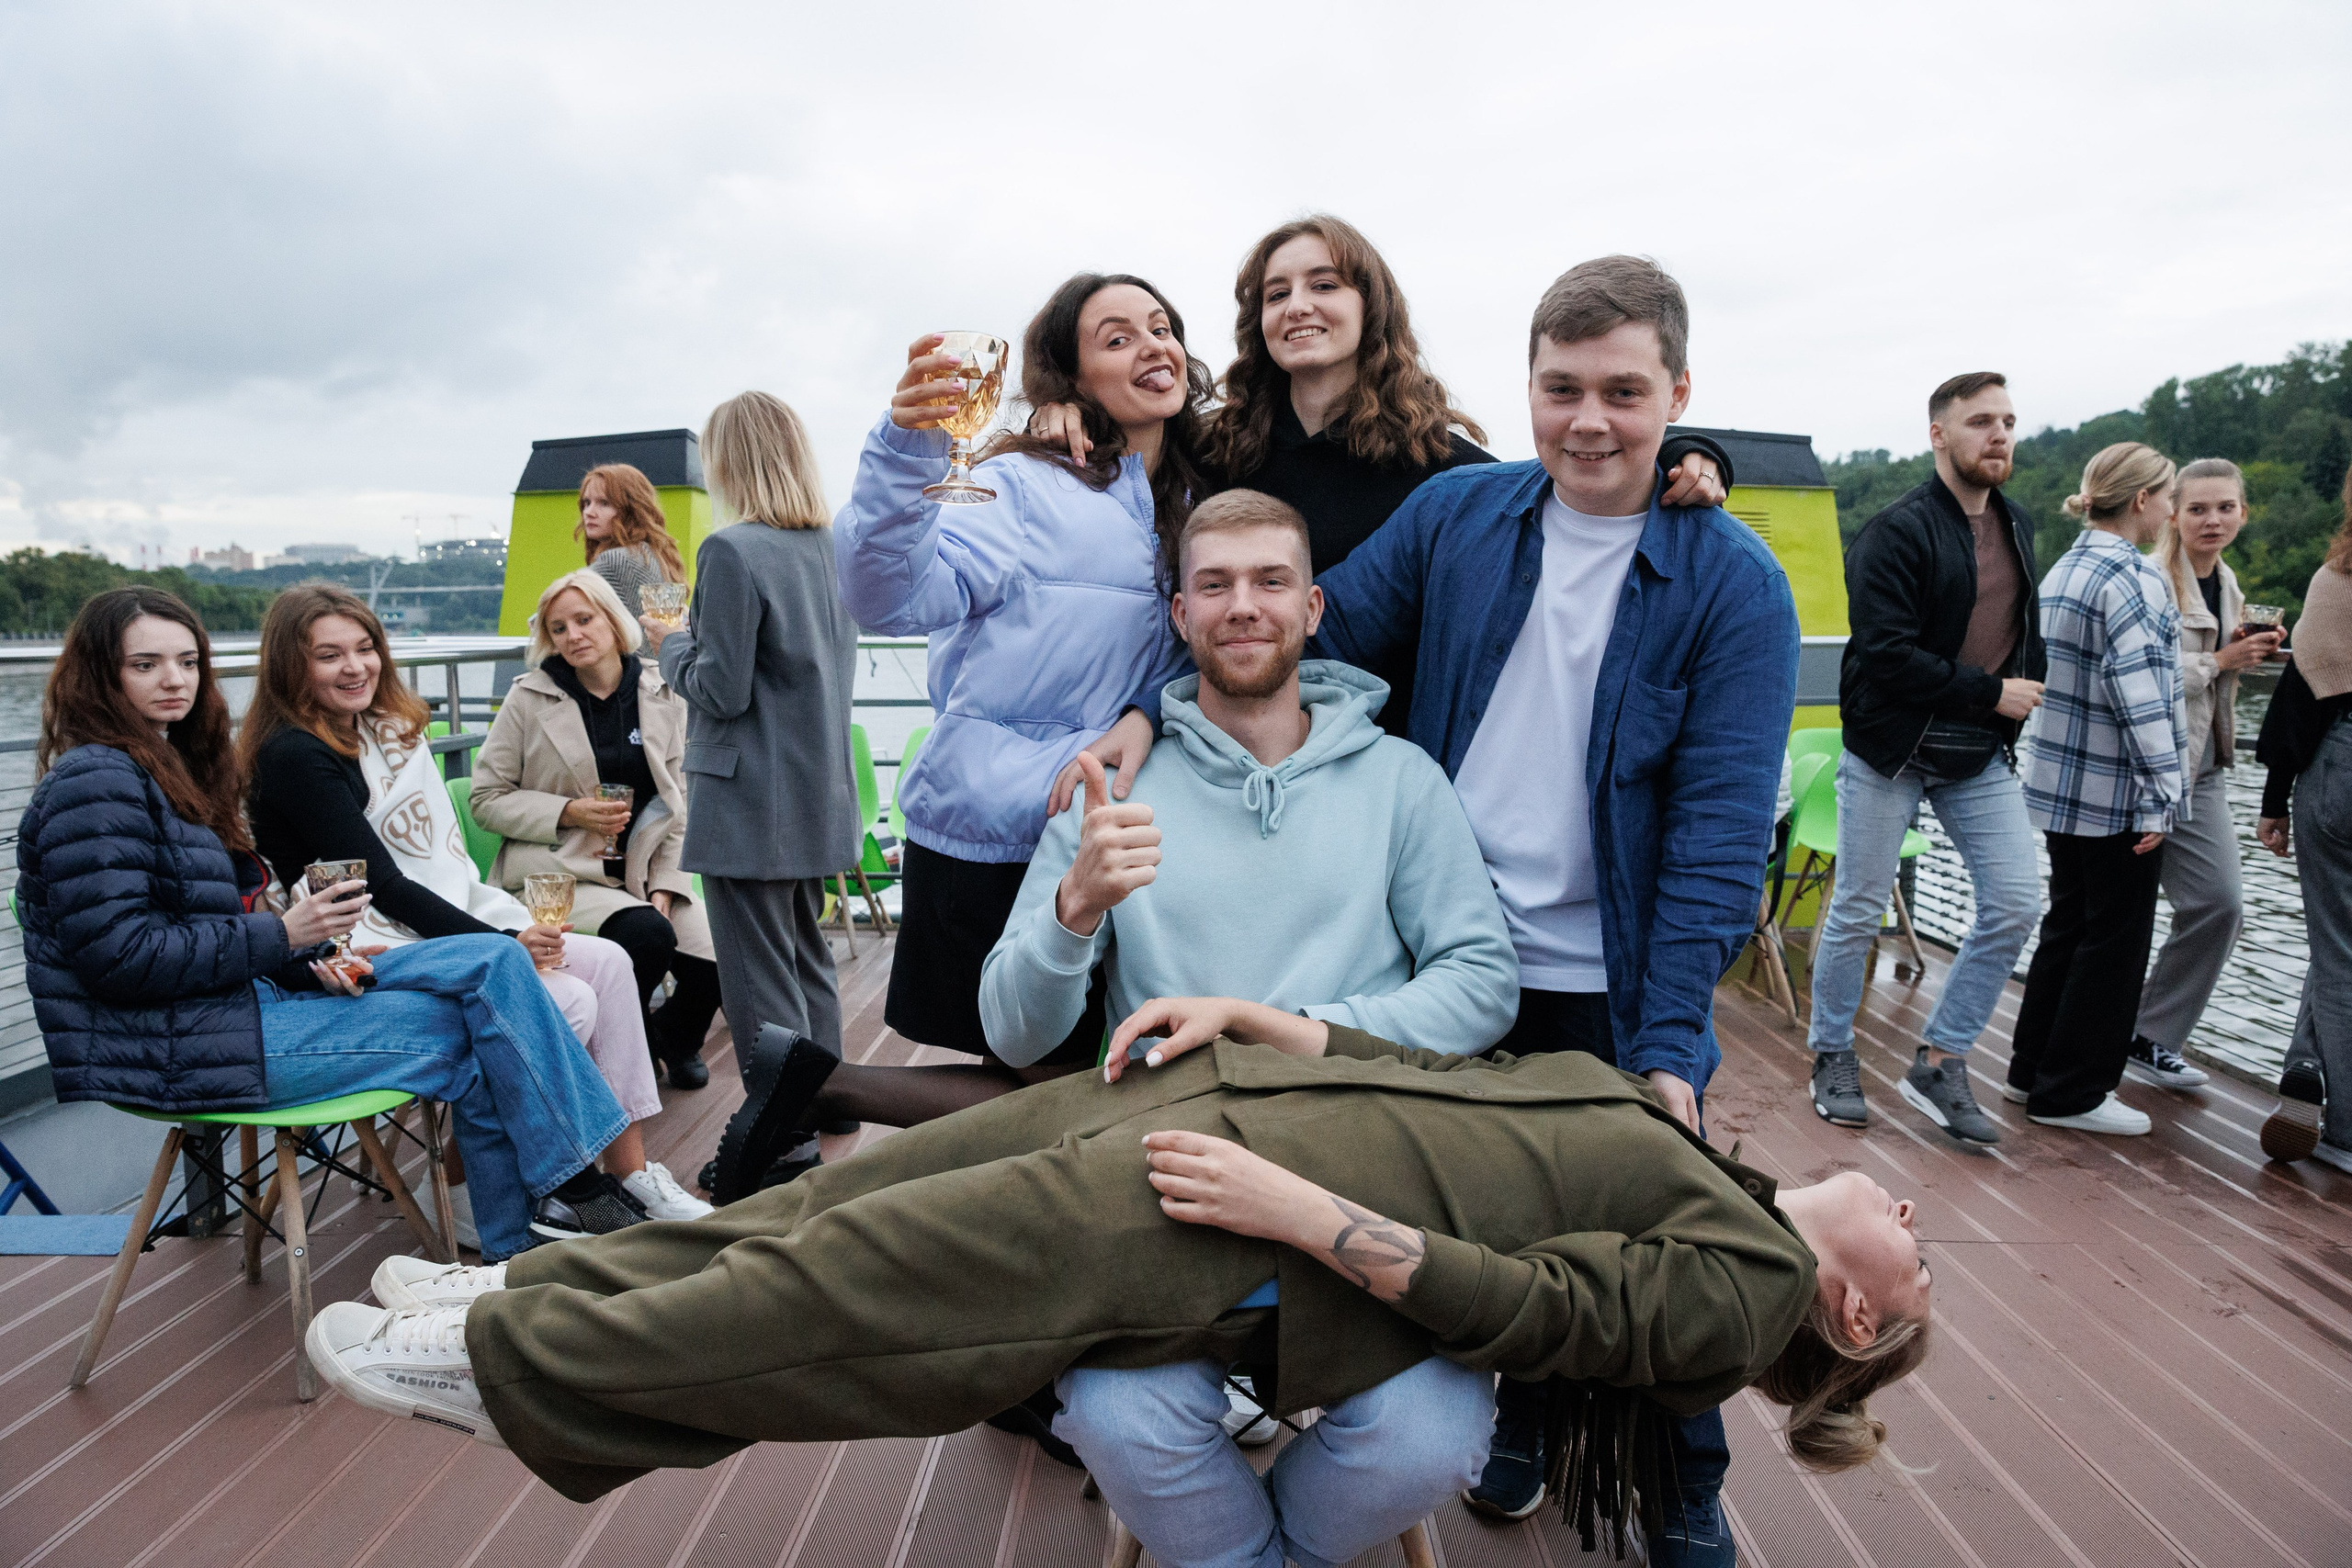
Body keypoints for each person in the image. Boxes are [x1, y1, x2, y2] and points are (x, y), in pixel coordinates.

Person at [307, 1017, 1931, 1568]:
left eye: (1919, 1255)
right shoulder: (1705, 1164)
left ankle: (513, 1365)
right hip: (1225, 1105)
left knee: (864, 1290)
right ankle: (522, 1289)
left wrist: (1308, 1216)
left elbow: (1532, 1310)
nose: (1913, 1215)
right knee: (829, 1202)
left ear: (1852, 1315)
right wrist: (1273, 1024)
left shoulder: (1746, 1291)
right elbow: (1452, 1081)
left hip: (1234, 1222)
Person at [1293, 254, 1798, 1557]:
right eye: (1561, 387)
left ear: (1678, 393)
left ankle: (1680, 1487)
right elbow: (1309, 635)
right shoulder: (1458, 517)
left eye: (1623, 392)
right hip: (1446, 958)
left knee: (1654, 1240)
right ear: (1525, 383)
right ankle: (1518, 1415)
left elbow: (1718, 837)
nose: (1588, 421)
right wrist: (1155, 710)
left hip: (1607, 977)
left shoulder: (1735, 583)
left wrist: (1670, 1042)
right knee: (1462, 1222)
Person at [19, 588, 633, 1264]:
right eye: (146, 665)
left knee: (497, 962)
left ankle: (552, 1207)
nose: (175, 680)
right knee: (480, 1027)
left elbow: (213, 927)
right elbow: (120, 957)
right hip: (181, 1043)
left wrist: (306, 958)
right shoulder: (95, 783)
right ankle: (552, 1211)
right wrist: (287, 935)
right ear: (99, 674)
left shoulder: (165, 768)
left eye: (188, 662)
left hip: (240, 1005)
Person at [1032, 215, 1732, 742]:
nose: (1298, 305)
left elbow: (1563, 480)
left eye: (1324, 285)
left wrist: (1687, 452)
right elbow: (1134, 448)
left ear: (1372, 306)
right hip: (1218, 754)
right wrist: (1063, 410)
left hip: (1382, 782)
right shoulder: (1217, 453)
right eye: (1277, 293)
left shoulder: (1444, 474)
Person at [828, 274, 1203, 1133]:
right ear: (1070, 377)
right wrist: (907, 448)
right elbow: (889, 596)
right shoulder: (1025, 485)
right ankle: (823, 1087)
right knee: (1057, 1091)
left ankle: (819, 1084)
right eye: (1117, 338)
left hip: (1115, 838)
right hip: (1000, 831)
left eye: (1162, 327)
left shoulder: (1199, 492)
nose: (1153, 346)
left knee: (1081, 1083)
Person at [980, 489, 1517, 1066]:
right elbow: (1013, 1038)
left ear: (1312, 609)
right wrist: (1074, 908)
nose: (1242, 606)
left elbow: (1482, 985)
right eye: (1215, 585)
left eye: (1270, 582)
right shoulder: (1110, 794)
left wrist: (1284, 1031)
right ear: (1182, 617)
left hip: (1352, 1101)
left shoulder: (1402, 781)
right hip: (1170, 1113)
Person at [241, 584, 694, 1234]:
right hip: (355, 946)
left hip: (428, 920)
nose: (356, 667)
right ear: (291, 665)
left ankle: (630, 1175)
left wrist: (503, 933)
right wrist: (502, 941)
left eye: (366, 648)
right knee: (568, 999)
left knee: (612, 964)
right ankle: (473, 1189)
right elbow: (387, 888)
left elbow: (429, 873)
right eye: (329, 655)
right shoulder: (294, 754)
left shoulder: (375, 732)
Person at [1804, 372, 2045, 1145]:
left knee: (2017, 901)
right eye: (1981, 421)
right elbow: (1884, 654)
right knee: (1859, 905)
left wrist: (2012, 696)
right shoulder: (1896, 531)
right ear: (1939, 434)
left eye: (2008, 420)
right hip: (1891, 747)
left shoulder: (2018, 523)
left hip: (1976, 750)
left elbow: (2019, 627)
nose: (1999, 434)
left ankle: (1941, 1059)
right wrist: (1992, 692)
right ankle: (1831, 1052)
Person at [637, 390, 861, 1096]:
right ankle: (831, 1103)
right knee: (805, 955)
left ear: (728, 462)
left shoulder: (731, 550)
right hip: (817, 794)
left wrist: (670, 644)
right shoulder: (833, 548)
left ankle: (784, 1136)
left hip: (747, 802)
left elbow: (721, 688)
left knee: (758, 982)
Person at [470, 570, 724, 1091]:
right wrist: (569, 811)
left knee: (720, 958)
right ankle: (623, 1054)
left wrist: (667, 884)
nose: (573, 636)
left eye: (584, 620)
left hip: (644, 867)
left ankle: (670, 1039)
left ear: (612, 618)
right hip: (565, 872)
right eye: (558, 628)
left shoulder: (663, 689)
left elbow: (683, 800)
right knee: (647, 936)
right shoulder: (529, 698)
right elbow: (486, 799)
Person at [2006, 443, 2188, 1136]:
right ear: (2141, 500)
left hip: (2058, 786)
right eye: (2168, 496)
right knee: (2114, 942)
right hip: (2117, 794)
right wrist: (2162, 795)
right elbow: (2141, 698)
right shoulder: (2136, 578)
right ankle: (2073, 1092)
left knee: (2068, 927)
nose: (2170, 510)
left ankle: (2030, 1071)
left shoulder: (2063, 569)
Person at [2132, 459, 2279, 1089]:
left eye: (2225, 507)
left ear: (2243, 512)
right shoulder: (2150, 580)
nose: (2212, 520)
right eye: (2197, 508)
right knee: (2116, 917)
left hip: (2205, 767)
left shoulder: (2228, 583)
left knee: (2221, 903)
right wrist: (2221, 659)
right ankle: (2084, 1044)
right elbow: (2141, 679)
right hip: (2144, 769)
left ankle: (2151, 1034)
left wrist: (2251, 649)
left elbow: (2217, 667)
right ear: (2172, 513)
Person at [2257, 467, 2352, 1173]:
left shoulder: (2337, 579)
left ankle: (2339, 1118)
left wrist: (2273, 798)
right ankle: (2308, 1062)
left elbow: (2303, 692)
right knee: (2338, 940)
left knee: (2337, 945)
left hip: (2341, 765)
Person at [576, 463, 684, 617]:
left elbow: (560, 606)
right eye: (587, 503)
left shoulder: (616, 560)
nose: (589, 512)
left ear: (631, 509)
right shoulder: (651, 554)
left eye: (604, 503)